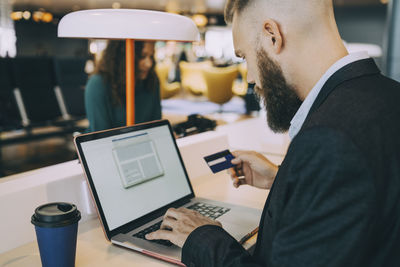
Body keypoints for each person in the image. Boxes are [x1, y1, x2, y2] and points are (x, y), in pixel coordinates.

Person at [146, 0, 400, 266]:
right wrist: (286, 179)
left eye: (244, 56)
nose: (251, 78)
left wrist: (200, 236)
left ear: (272, 36)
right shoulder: (389, 96)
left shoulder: (328, 140)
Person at [85, 40, 161, 132]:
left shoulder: (151, 80)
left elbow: (157, 126)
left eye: (151, 56)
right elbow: (101, 136)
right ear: (122, 56)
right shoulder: (98, 84)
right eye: (142, 56)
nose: (149, 63)